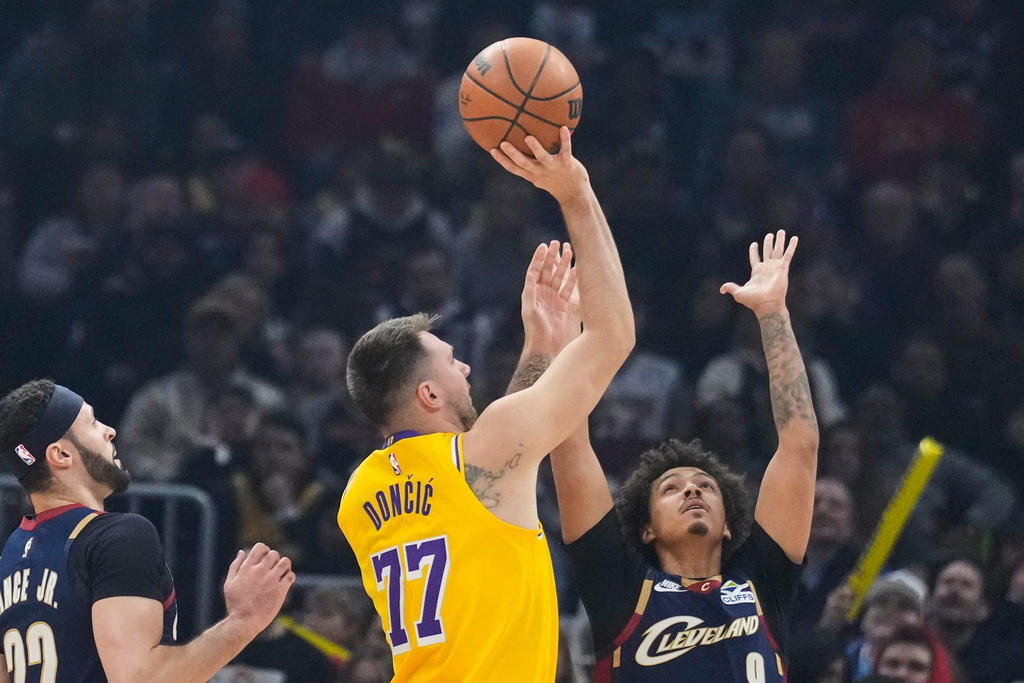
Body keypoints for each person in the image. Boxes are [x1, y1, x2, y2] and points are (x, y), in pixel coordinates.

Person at [338, 128, 635, 681]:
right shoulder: (484, 454)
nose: (468, 368)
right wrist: (577, 196)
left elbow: (494, 468)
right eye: (452, 363)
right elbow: (614, 335)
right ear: (428, 394)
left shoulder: (360, 494)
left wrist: (542, 346)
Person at [551, 230, 819, 681]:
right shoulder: (620, 586)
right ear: (648, 527)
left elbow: (800, 447)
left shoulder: (761, 582)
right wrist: (570, 331)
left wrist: (773, 315)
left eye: (705, 486)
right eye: (671, 488)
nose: (692, 488)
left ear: (730, 522)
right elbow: (569, 443)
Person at [0, 379, 295, 682]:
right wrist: (245, 621)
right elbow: (140, 679)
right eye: (91, 423)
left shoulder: (12, 553)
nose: (109, 430)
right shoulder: (116, 537)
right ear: (61, 455)